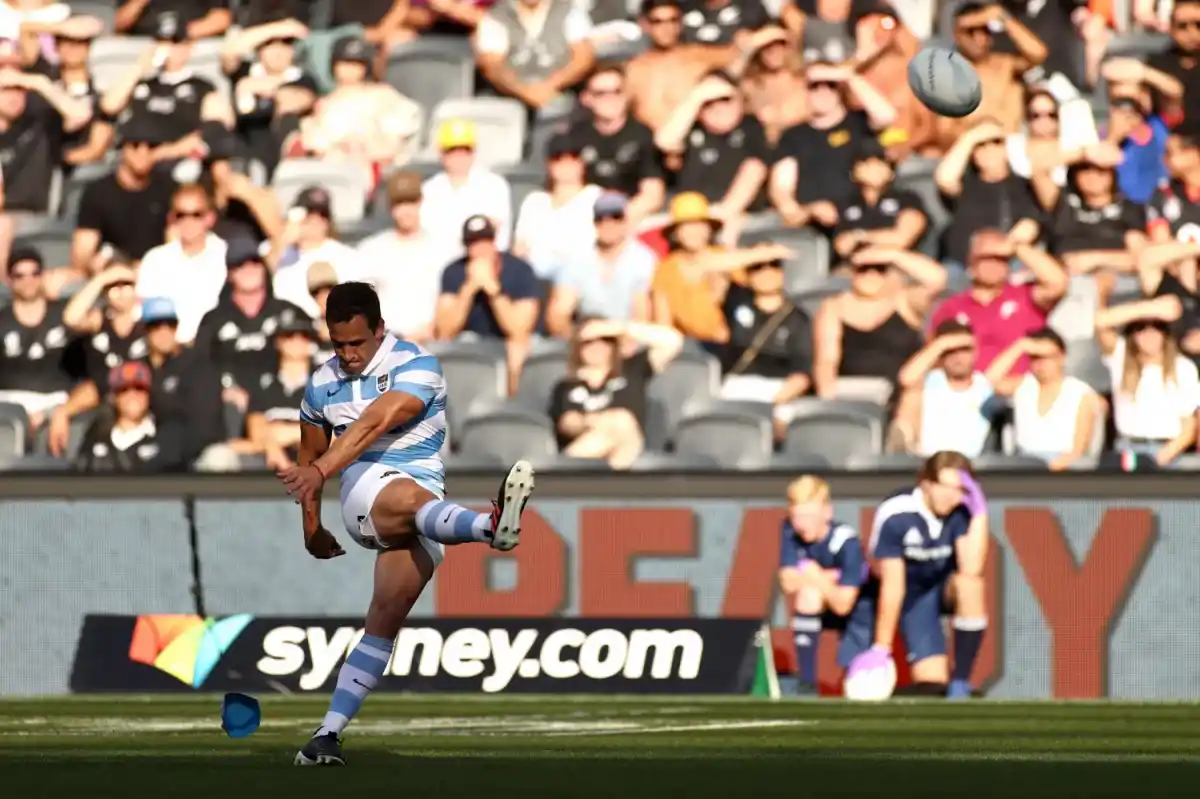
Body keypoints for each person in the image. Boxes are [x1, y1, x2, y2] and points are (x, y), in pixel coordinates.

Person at [282, 281, 536, 766]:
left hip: (424, 507)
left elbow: (375, 422)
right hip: (364, 494)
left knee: (384, 619)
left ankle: (326, 736)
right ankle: (488, 528)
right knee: (403, 495)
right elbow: (309, 455)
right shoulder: (320, 383)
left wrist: (317, 471)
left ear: (380, 329)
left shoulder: (417, 365)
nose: (349, 354)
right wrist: (310, 526)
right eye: (339, 344)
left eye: (357, 343)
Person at [850, 451, 990, 700]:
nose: (951, 496)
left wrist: (980, 513)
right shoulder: (897, 513)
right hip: (914, 598)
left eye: (959, 489)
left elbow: (971, 568)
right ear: (926, 484)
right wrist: (882, 648)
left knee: (971, 586)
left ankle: (961, 681)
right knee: (932, 684)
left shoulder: (962, 511)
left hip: (944, 587)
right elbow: (893, 584)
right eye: (944, 487)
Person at [776, 475, 869, 696]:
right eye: (797, 515)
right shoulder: (790, 531)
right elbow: (788, 582)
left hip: (860, 611)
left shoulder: (846, 542)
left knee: (860, 686)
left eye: (808, 515)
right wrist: (828, 579)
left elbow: (843, 604)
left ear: (827, 512)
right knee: (808, 596)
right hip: (828, 601)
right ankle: (807, 683)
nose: (801, 523)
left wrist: (816, 577)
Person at [549, 317, 683, 468]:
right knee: (620, 424)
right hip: (592, 450)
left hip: (624, 450)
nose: (596, 346)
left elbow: (672, 341)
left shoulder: (632, 370)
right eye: (588, 342)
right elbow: (568, 422)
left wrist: (618, 328)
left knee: (624, 422)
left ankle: (559, 471)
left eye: (605, 340)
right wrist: (604, 421)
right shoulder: (567, 385)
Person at [74, 360, 186, 473]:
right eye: (124, 389)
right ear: (114, 397)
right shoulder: (95, 435)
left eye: (139, 387)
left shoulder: (167, 437)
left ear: (148, 394)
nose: (132, 394)